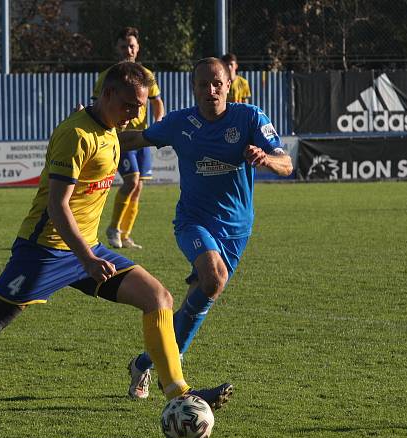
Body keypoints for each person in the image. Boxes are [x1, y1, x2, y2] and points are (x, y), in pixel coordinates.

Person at [0, 61, 232, 414]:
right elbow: (58, 206)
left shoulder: (109, 128)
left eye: (138, 108)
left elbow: (137, 136)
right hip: (44, 249)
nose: (133, 115)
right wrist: (87, 259)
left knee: (159, 298)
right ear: (106, 94)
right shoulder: (76, 135)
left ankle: (178, 393)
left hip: (87, 248)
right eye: (127, 106)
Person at [119, 57, 293, 399]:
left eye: (217, 84)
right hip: (193, 222)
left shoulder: (250, 118)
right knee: (213, 278)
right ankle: (173, 377)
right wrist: (90, 126)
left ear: (229, 85)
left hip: (237, 229)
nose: (211, 90)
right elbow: (136, 138)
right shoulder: (180, 122)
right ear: (193, 87)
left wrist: (266, 159)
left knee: (203, 295)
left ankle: (144, 363)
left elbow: (285, 163)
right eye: (203, 84)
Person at [93, 27, 165, 249]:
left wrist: (159, 119)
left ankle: (125, 234)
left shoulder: (146, 75)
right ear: (117, 48)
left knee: (139, 186)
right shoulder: (107, 77)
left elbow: (156, 101)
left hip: (142, 138)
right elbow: (97, 104)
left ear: (138, 48)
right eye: (124, 46)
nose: (128, 50)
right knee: (131, 181)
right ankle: (113, 228)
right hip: (121, 137)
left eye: (132, 45)